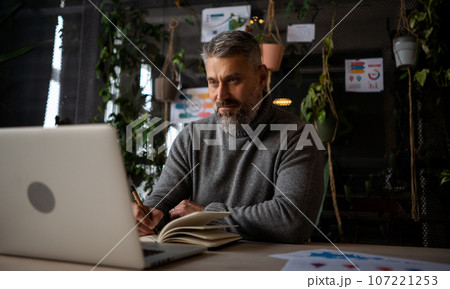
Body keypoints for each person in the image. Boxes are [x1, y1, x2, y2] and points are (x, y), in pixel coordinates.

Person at [132, 30, 323, 243]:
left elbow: (292, 221)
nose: (221, 96)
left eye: (232, 80)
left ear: (261, 78)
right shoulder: (190, 137)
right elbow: (163, 199)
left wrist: (209, 216)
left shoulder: (298, 136)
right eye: (213, 82)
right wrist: (148, 214)